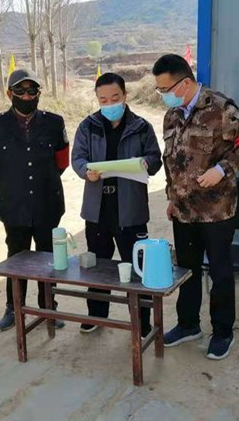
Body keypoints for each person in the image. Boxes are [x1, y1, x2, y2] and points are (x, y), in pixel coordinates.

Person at [152, 54, 239, 360]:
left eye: (166, 89)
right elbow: (172, 161)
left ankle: (223, 332)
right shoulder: (172, 115)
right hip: (184, 211)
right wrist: (172, 198)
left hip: (216, 210)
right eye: (159, 90)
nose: (163, 95)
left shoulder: (220, 108)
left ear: (186, 83)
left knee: (220, 273)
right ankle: (188, 324)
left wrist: (223, 169)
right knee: (186, 272)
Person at [71, 72, 162, 337]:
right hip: (97, 208)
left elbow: (155, 158)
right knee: (97, 267)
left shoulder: (141, 127)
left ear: (125, 95)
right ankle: (96, 315)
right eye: (103, 100)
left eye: (115, 98)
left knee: (137, 268)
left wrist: (146, 163)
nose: (109, 104)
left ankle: (141, 322)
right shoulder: (87, 126)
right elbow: (78, 158)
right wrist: (85, 170)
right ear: (97, 99)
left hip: (130, 208)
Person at [0, 68, 69, 332]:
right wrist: (15, 185)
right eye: (20, 91)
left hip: (47, 204)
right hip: (13, 205)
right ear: (9, 94)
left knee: (48, 257)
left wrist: (40, 183)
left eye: (32, 91)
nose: (27, 96)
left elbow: (61, 162)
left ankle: (48, 306)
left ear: (39, 93)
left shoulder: (54, 123)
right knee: (16, 257)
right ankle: (13, 307)